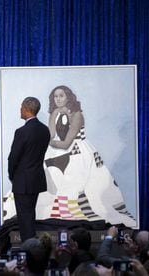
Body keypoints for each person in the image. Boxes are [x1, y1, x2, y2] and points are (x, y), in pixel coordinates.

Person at [37, 85, 135, 226]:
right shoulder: (54, 113)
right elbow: (51, 134)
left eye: (61, 96)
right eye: (55, 96)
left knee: (80, 184)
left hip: (78, 152)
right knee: (51, 177)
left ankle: (76, 212)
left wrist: (48, 141)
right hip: (59, 152)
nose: (58, 99)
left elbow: (66, 143)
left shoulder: (77, 114)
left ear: (68, 97)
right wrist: (50, 133)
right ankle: (59, 212)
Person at [8, 97, 50, 241]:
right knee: (29, 215)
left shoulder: (22, 132)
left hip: (22, 181)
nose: (20, 110)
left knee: (24, 219)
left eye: (21, 107)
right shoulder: (45, 130)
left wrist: (12, 175)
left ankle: (29, 250)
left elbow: (13, 157)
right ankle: (32, 247)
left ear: (26, 108)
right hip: (36, 179)